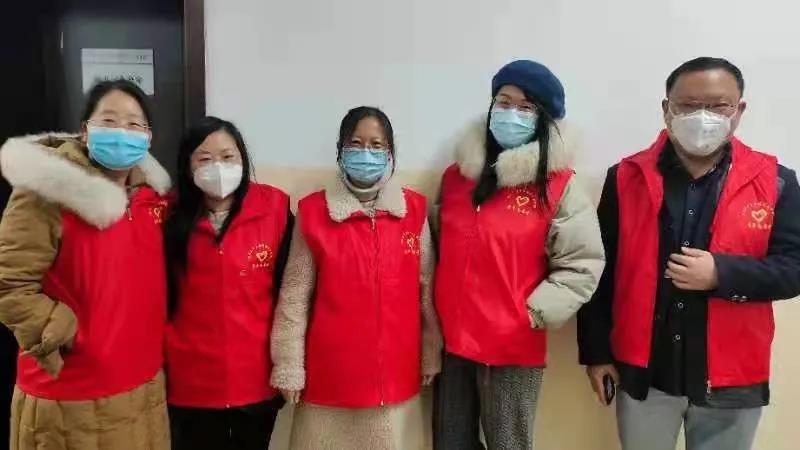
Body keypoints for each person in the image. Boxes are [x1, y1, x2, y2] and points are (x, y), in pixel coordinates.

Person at [577, 57, 800, 450]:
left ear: (739, 110)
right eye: (688, 105)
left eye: (718, 106)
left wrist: (721, 274)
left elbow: (794, 268)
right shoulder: (626, 177)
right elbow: (599, 270)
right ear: (667, 109)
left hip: (732, 376)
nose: (702, 116)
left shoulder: (776, 181)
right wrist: (596, 354)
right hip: (645, 372)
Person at [433, 60, 605, 450]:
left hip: (511, 346)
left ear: (543, 120)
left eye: (526, 107)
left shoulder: (557, 185)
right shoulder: (458, 178)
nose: (511, 113)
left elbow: (583, 264)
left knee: (508, 444)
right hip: (452, 341)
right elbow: (440, 247)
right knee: (450, 441)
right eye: (504, 101)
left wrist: (530, 314)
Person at [0, 79, 172, 450]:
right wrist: (66, 334)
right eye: (108, 121)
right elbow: (9, 284)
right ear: (85, 130)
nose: (121, 132)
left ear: (148, 137)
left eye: (133, 124)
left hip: (143, 387)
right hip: (71, 395)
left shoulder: (149, 199)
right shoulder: (44, 190)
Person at [270, 106, 442, 450]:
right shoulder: (314, 213)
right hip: (329, 376)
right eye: (356, 143)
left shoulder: (413, 211)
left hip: (395, 374)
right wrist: (288, 365)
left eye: (376, 145)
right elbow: (294, 295)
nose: (366, 153)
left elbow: (427, 291)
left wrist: (431, 351)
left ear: (390, 154)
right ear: (340, 150)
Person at [163, 116, 292, 450]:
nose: (218, 168)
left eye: (227, 157)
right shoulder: (166, 217)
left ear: (242, 160)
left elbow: (291, 293)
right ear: (187, 166)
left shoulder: (275, 209)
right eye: (204, 159)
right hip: (190, 384)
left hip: (257, 380)